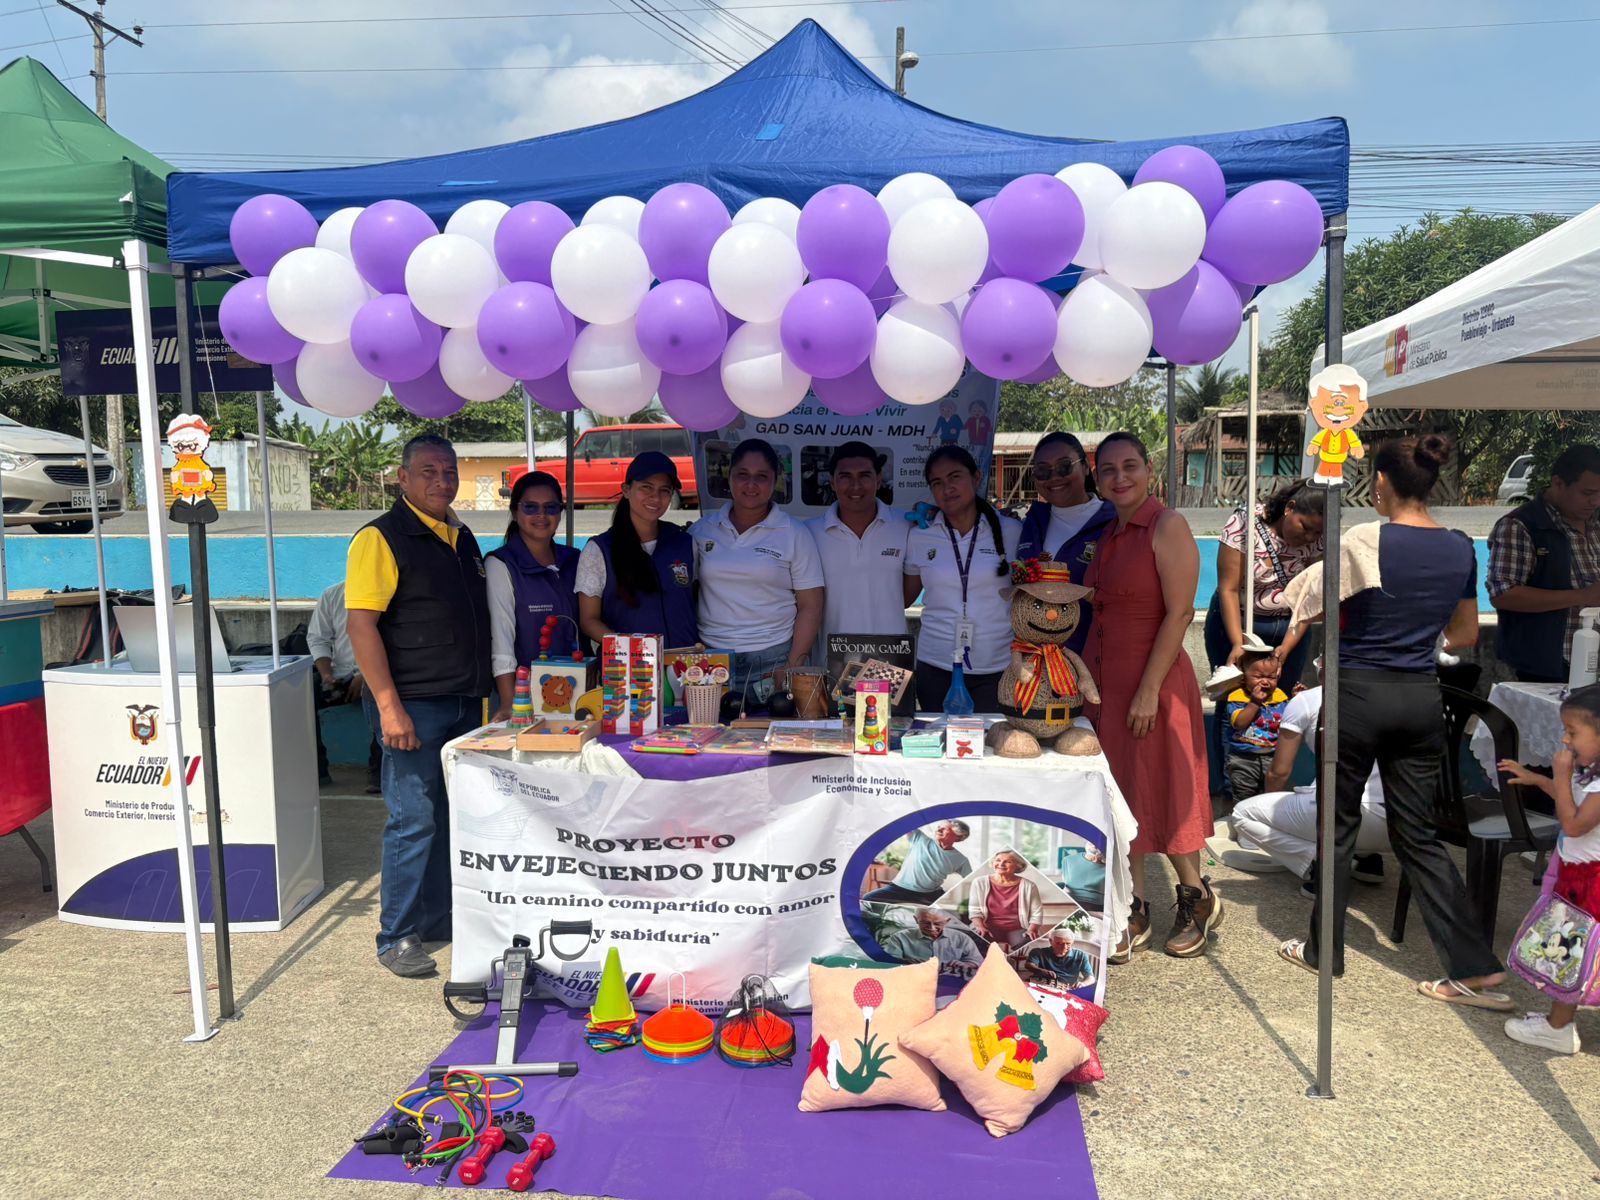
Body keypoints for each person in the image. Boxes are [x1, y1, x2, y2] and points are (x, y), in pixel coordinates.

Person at [1277, 436, 1512, 1011]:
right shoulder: (1460, 547)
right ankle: (1475, 965)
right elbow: (1464, 634)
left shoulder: (1364, 540)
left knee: (1337, 829)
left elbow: (1307, 604)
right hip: (1419, 699)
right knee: (1418, 836)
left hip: (1356, 697)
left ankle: (1322, 951)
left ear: (1380, 482)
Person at [346, 434, 490, 979]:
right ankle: (396, 935)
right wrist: (389, 707)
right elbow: (361, 625)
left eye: (449, 471)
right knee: (413, 820)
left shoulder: (461, 536)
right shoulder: (381, 538)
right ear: (402, 478)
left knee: (448, 819)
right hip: (413, 703)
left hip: (462, 702)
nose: (441, 480)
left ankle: (434, 919)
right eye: (428, 471)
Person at [1084, 431, 1221, 962]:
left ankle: (1195, 896)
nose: (1119, 478)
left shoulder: (1168, 525)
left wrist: (1147, 690)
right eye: (1108, 470)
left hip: (1154, 682)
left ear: (1148, 469)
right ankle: (1134, 904)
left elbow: (1181, 612)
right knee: (1122, 793)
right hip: (1106, 683)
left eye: (1129, 466)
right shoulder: (1110, 533)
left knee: (1167, 787)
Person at [1499, 684, 1600, 1054]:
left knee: (1572, 950)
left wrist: (1559, 775)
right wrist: (1539, 779)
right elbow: (1573, 800)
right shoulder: (1593, 775)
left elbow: (1573, 824)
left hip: (1589, 883)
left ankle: (1558, 1028)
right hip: (1580, 877)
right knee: (1572, 950)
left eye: (1573, 732)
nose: (1565, 740)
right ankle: (1559, 1023)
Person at [690, 439, 823, 704]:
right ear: (729, 477)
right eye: (743, 475)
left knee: (769, 730)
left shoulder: (794, 533)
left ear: (775, 481)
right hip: (710, 661)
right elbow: (687, 593)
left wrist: (791, 665)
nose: (751, 484)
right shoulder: (702, 530)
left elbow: (811, 605)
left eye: (761, 476)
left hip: (772, 661)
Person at [1224, 678, 1389, 890]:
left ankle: (1326, 868)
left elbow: (1279, 773)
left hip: (1343, 815)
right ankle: (1368, 861)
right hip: (1404, 826)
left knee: (1242, 814)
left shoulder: (1308, 699)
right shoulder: (1398, 693)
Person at [904, 446, 1022, 712]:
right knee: (938, 738)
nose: (947, 488)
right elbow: (904, 597)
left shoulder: (1012, 531)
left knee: (993, 739)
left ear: (977, 478)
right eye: (937, 483)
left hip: (997, 666)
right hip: (936, 665)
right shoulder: (920, 536)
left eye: (955, 477)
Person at [1488, 444, 1600, 683]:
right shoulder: (1521, 526)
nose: (1595, 502)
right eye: (1587, 493)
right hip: (1542, 669)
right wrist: (1582, 596)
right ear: (1558, 483)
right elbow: (1503, 594)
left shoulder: (1596, 525)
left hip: (1592, 665)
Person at [1204, 479, 1325, 681]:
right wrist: (1237, 643)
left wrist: (1286, 647)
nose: (1310, 537)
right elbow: (1228, 589)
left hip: (1290, 630)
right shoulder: (1245, 524)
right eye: (1305, 527)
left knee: (1283, 696)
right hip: (1238, 624)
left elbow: (1309, 597)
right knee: (1235, 695)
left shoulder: (1319, 540)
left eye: (1318, 532)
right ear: (1289, 508)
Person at [577, 451, 698, 648]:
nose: (655, 497)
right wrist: (631, 650)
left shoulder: (685, 542)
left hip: (684, 663)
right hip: (628, 664)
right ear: (626, 490)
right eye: (646, 487)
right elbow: (589, 621)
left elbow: (695, 602)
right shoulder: (599, 550)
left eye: (665, 490)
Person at [486, 471, 580, 723]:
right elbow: (501, 639)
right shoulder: (501, 564)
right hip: (523, 699)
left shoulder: (574, 560)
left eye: (550, 507)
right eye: (530, 507)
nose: (541, 515)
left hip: (576, 692)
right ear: (515, 512)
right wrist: (509, 702)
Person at [803, 442, 908, 661]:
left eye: (864, 475)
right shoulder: (808, 533)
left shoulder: (905, 526)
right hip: (832, 662)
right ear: (832, 482)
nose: (855, 485)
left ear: (878, 480)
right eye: (845, 476)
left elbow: (906, 595)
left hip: (891, 663)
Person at [1014, 431, 1115, 655]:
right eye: (1043, 471)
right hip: (1036, 660)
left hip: (1094, 658)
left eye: (1064, 467)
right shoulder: (1031, 522)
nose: (1054, 477)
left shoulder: (1114, 522)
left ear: (1086, 467)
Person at [306, 580, 381, 794]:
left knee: (385, 696)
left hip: (378, 674)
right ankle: (317, 769)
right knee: (302, 694)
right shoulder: (332, 595)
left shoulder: (389, 595)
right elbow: (318, 638)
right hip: (340, 676)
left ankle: (378, 772)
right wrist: (326, 674)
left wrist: (365, 675)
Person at [1222, 649, 1288, 804]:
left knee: (1271, 799)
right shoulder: (1238, 698)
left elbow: (1291, 720)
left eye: (1271, 677)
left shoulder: (1280, 697)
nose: (1265, 681)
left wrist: (1297, 699)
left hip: (1272, 756)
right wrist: (1254, 703)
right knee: (1244, 799)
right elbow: (1239, 723)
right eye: (1258, 677)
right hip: (1243, 758)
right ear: (1244, 677)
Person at [863, 821, 972, 905]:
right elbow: (906, 822)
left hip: (930, 894)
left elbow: (972, 880)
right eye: (939, 827)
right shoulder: (920, 838)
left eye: (945, 829)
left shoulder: (961, 859)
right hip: (899, 889)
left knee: (954, 912)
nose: (939, 830)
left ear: (957, 836)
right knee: (867, 900)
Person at [969, 850, 1044, 949]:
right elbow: (975, 910)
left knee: (1028, 945)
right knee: (977, 943)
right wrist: (980, 926)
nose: (1001, 864)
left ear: (1018, 866)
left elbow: (1037, 913)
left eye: (1008, 861)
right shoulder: (979, 882)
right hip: (987, 926)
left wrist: (1032, 929)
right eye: (998, 860)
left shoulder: (1029, 886)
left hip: (1017, 929)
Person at [879, 907, 984, 970]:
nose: (932, 928)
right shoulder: (900, 938)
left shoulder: (961, 938)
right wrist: (907, 963)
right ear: (916, 920)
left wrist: (966, 964)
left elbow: (978, 961)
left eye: (938, 923)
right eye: (925, 923)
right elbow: (887, 963)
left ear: (947, 921)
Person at [1024, 932, 1095, 988]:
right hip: (1041, 984)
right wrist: (1042, 971)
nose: (1064, 947)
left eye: (1068, 943)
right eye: (1059, 943)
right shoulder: (1038, 952)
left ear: (1072, 942)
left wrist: (1083, 984)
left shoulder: (1081, 955)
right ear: (1051, 941)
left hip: (1065, 988)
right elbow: (1029, 965)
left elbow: (1091, 977)